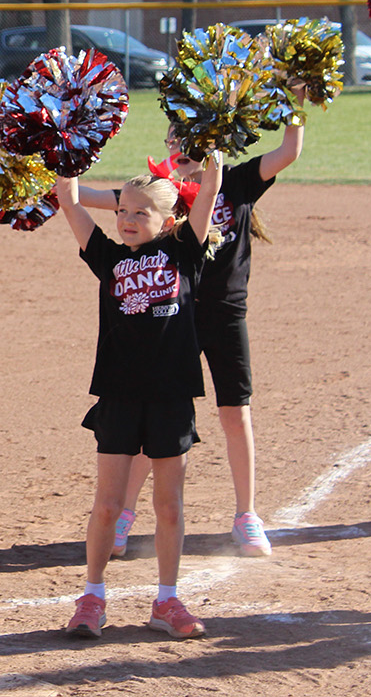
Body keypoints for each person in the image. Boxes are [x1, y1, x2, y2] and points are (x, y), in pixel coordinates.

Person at [78, 120, 302, 558]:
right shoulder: (157, 193)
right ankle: (124, 513)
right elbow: (92, 198)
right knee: (157, 410)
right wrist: (53, 175)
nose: (180, 147)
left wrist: (294, 103)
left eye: (191, 138)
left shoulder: (235, 180)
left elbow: (289, 151)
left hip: (223, 311)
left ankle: (246, 515)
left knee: (235, 411)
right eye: (173, 140)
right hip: (172, 317)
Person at [57, 153, 223, 641]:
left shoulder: (184, 252)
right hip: (120, 394)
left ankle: (167, 600)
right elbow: (69, 203)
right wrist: (65, 151)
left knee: (168, 505)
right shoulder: (109, 257)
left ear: (167, 221)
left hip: (172, 395)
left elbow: (210, 192)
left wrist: (212, 159)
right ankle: (92, 596)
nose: (128, 220)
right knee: (107, 504)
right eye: (122, 211)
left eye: (140, 212)